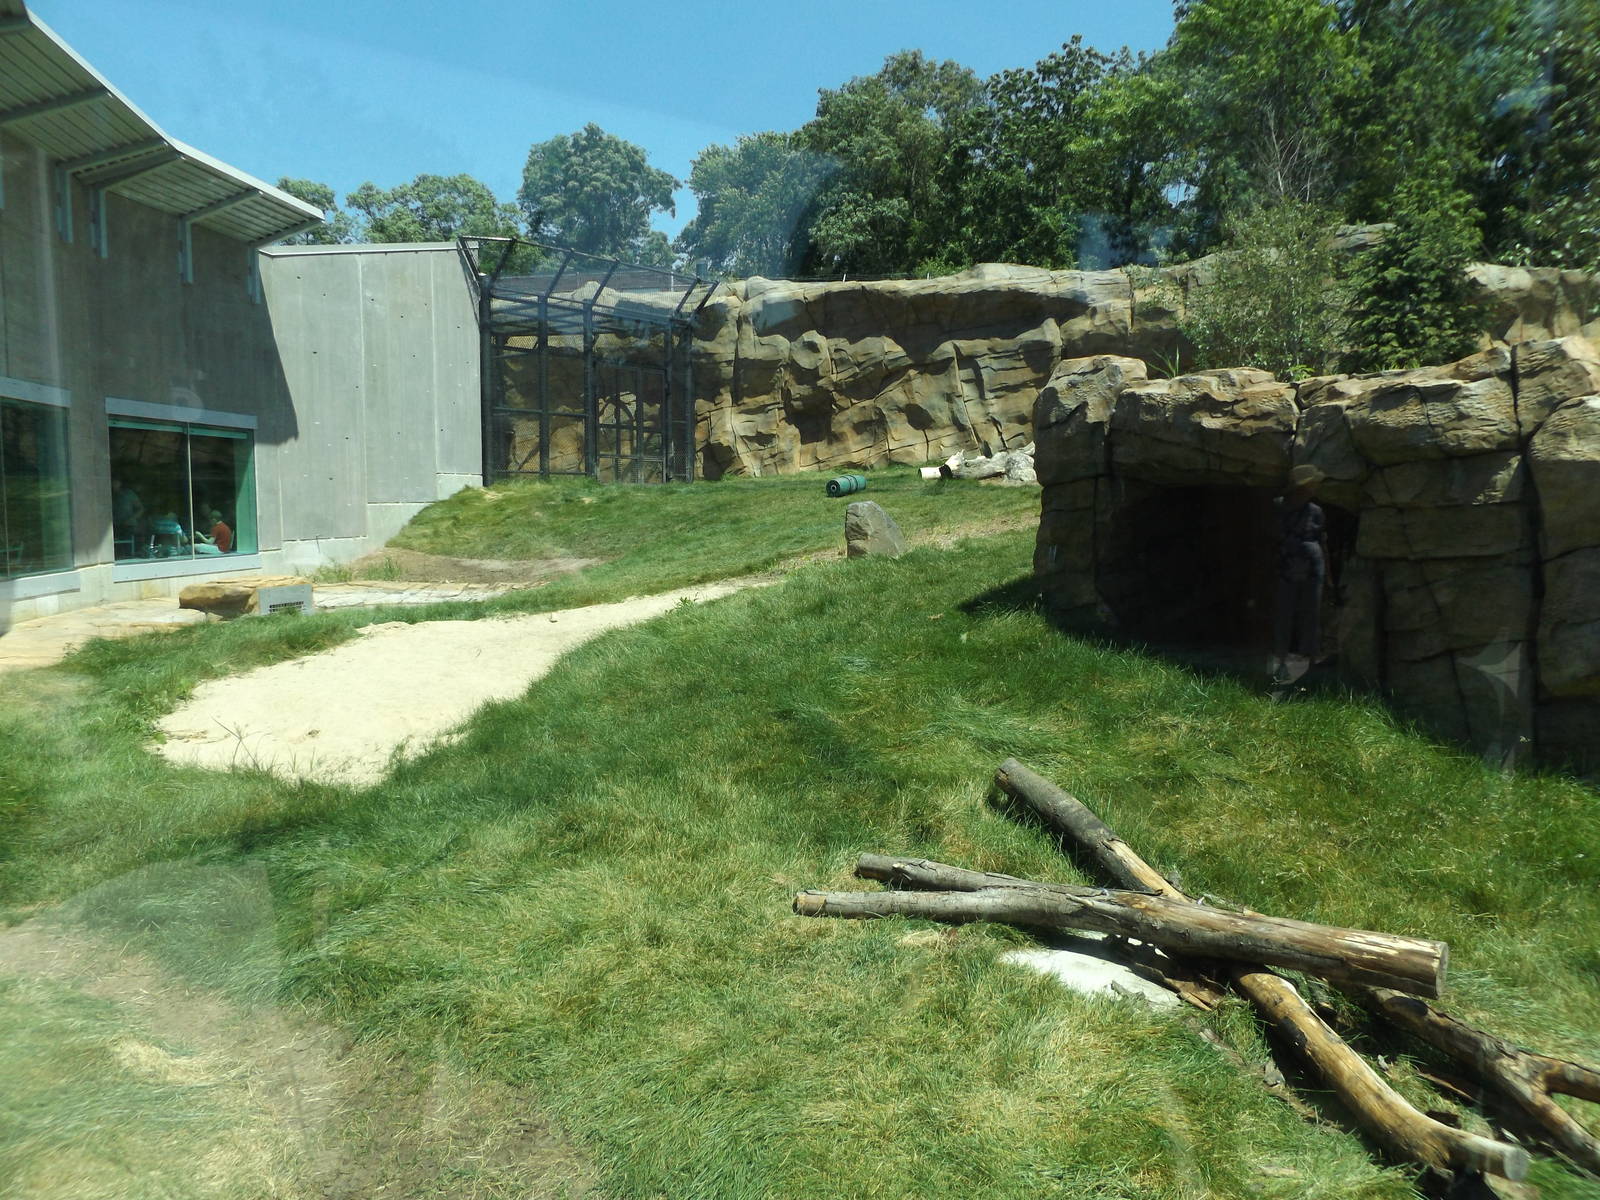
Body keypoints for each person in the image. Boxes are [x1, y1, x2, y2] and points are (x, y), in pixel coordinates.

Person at [1270, 464, 1329, 683]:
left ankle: (1308, 661)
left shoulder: (1316, 511)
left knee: (1310, 614)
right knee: (1284, 613)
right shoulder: (1278, 506)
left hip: (1313, 568)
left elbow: (1322, 542)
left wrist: (1328, 574)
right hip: (1287, 566)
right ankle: (1280, 660)